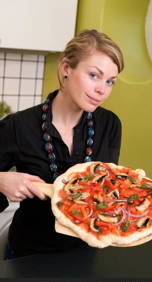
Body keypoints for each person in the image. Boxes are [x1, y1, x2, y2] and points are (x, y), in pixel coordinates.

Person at [0, 29, 124, 258]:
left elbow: (106, 191)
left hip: (86, 254)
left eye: (110, 81)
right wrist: (0, 181)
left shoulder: (110, 124)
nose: (102, 90)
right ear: (66, 68)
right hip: (29, 254)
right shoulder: (18, 126)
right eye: (94, 75)